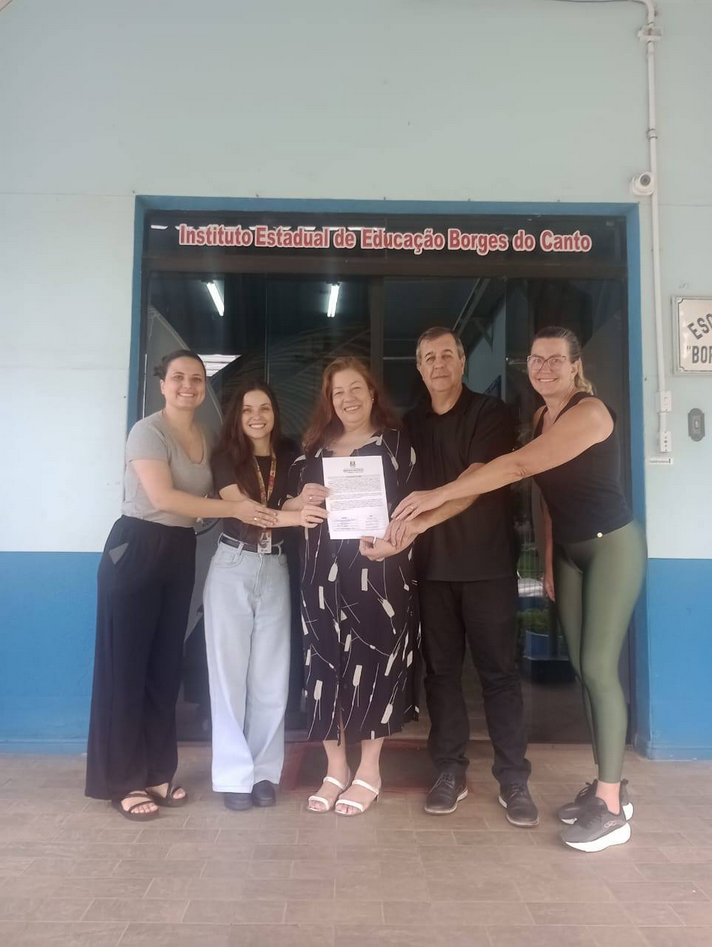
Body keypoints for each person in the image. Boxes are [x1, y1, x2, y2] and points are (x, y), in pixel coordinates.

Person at [391, 326, 646, 853]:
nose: (544, 368)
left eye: (555, 360)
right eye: (536, 359)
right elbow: (549, 498)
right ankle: (606, 787)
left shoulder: (590, 412)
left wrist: (434, 497)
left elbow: (519, 466)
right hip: (569, 553)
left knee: (598, 669)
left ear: (575, 366)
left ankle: (611, 805)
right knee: (583, 670)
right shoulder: (541, 418)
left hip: (611, 547)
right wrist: (550, 559)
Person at [85, 350, 278, 821]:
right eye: (178, 378)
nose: (188, 386)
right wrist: (236, 510)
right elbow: (164, 497)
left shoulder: (206, 435)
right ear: (163, 384)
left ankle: (157, 772)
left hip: (179, 550)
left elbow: (215, 492)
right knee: (126, 667)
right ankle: (123, 781)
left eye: (196, 378)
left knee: (164, 667)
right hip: (136, 546)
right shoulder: (147, 431)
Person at [363, 327, 537, 826]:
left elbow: (476, 483)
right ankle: (448, 771)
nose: (438, 364)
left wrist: (419, 522)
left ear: (462, 362)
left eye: (446, 355)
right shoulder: (409, 425)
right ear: (419, 369)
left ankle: (513, 778)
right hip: (431, 572)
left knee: (498, 674)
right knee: (440, 675)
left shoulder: (490, 413)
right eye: (428, 358)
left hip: (487, 568)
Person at [284, 357, 420, 816]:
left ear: (372, 392)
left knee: (373, 663)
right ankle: (335, 769)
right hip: (321, 576)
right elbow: (288, 505)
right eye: (338, 392)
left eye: (356, 388)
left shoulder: (396, 444)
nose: (348, 398)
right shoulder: (313, 449)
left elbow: (417, 509)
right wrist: (300, 499)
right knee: (324, 666)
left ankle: (370, 771)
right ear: (330, 399)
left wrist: (393, 543)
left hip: (378, 573)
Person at [203, 382, 328, 812]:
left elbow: (288, 501)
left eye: (264, 408)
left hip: (275, 567)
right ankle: (233, 775)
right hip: (233, 565)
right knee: (228, 677)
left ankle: (263, 774)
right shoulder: (225, 457)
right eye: (247, 410)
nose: (256, 416)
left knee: (271, 679)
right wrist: (299, 517)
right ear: (237, 417)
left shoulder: (289, 454)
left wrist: (303, 500)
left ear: (275, 413)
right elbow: (245, 510)